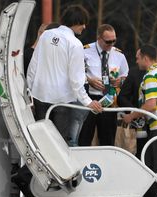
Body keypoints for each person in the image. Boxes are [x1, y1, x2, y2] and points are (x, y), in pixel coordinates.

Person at [26, 6, 103, 146]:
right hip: (61, 100)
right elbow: (76, 79)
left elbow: (33, 65)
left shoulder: (45, 35)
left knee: (40, 142)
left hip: (39, 95)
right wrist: (87, 102)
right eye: (83, 23)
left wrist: (29, 92)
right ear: (76, 21)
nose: (84, 27)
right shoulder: (75, 44)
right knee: (58, 144)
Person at [121, 45, 157, 175]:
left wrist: (131, 116)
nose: (136, 62)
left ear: (145, 58)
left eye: (138, 58)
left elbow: (151, 105)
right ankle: (152, 195)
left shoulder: (151, 76)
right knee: (153, 165)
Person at [77, 24, 127, 147]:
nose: (111, 44)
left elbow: (125, 75)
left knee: (108, 139)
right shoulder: (85, 51)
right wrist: (89, 80)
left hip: (109, 99)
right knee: (84, 137)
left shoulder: (119, 55)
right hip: (89, 99)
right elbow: (76, 73)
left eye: (114, 41)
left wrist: (119, 81)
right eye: (108, 41)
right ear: (98, 38)